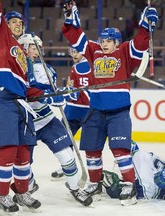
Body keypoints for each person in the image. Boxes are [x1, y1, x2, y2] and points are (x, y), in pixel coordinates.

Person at [61, 0, 158, 206]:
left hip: (118, 111)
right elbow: (76, 39)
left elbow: (140, 43)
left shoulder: (124, 52)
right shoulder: (93, 50)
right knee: (92, 149)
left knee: (120, 149)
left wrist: (145, 24)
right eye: (103, 40)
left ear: (116, 41)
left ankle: (129, 186)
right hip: (95, 109)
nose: (104, 43)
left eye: (108, 40)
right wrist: (70, 17)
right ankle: (94, 183)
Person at [0, 1, 42, 214]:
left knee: (24, 151)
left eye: (20, 22)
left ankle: (22, 191)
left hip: (19, 102)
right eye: (13, 21)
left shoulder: (23, 56)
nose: (17, 24)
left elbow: (24, 87)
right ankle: (2, 195)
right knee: (8, 150)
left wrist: (43, 95)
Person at [17, 33, 93, 207]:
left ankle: (75, 188)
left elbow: (51, 90)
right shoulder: (16, 68)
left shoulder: (47, 69)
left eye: (38, 48)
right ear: (23, 48)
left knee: (66, 154)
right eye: (33, 47)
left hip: (46, 119)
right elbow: (27, 92)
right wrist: (49, 96)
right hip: (24, 121)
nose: (37, 51)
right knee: (22, 162)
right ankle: (26, 188)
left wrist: (64, 94)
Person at [51, 47, 92, 179]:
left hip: (75, 110)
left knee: (65, 140)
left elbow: (72, 91)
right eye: (72, 52)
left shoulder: (77, 68)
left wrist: (60, 94)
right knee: (90, 144)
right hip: (87, 110)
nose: (74, 54)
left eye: (77, 52)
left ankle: (68, 166)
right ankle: (88, 170)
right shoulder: (94, 65)